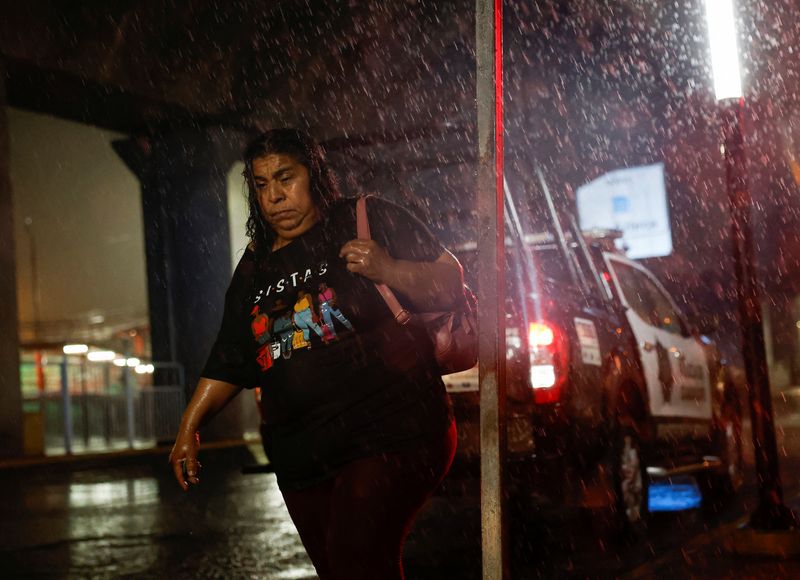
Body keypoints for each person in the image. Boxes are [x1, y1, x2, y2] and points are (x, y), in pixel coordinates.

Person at [169, 128, 464, 580]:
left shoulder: (367, 217)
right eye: (262, 184)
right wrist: (189, 426)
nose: (274, 196)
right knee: (343, 568)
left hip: (392, 430)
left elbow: (451, 283)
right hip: (302, 454)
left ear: (316, 175)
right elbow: (231, 357)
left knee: (355, 560)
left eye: (286, 178)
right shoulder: (255, 266)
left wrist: (388, 268)